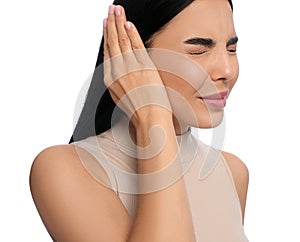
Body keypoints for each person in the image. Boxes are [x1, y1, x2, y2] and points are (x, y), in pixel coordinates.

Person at [29, 0, 249, 241]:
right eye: (198, 50)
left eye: (231, 49)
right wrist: (153, 117)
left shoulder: (232, 172)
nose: (227, 70)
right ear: (130, 54)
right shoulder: (64, 169)